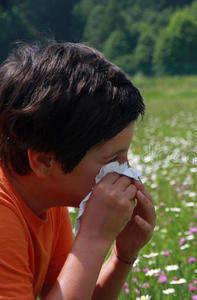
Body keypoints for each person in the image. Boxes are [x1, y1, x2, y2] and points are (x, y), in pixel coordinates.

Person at [0, 42, 156, 299]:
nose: (127, 172)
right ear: (44, 162)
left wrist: (123, 257)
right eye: (113, 159)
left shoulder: (47, 201)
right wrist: (93, 239)